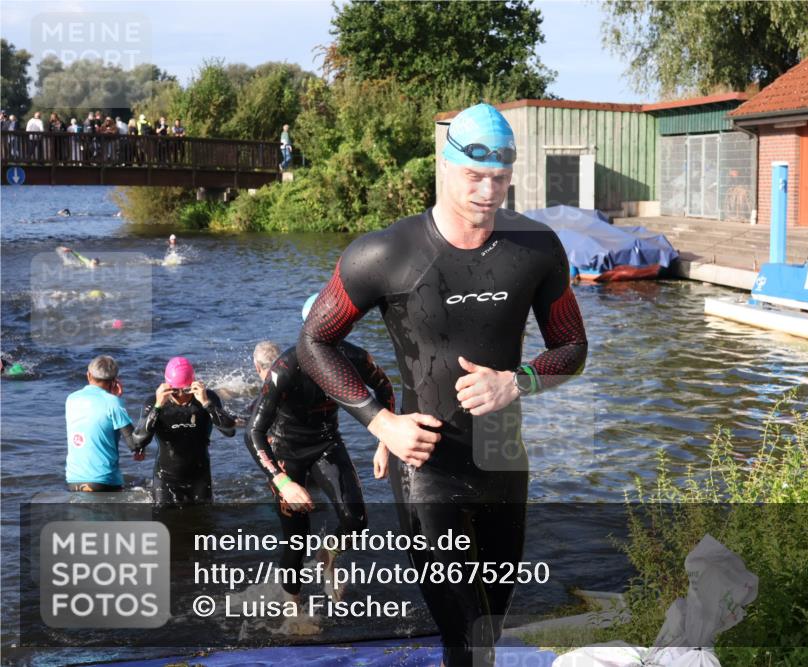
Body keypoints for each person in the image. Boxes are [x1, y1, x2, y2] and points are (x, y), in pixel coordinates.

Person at [297, 103, 588, 666]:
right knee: (467, 637)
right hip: (426, 462)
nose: (488, 190)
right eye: (475, 175)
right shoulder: (386, 253)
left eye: (500, 178)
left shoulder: (536, 247)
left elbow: (572, 347)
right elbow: (314, 342)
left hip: (503, 458)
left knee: (489, 634)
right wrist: (381, 422)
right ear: (444, 166)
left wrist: (519, 381)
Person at [245, 297, 394, 610]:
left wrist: (385, 441)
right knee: (295, 540)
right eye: (326, 333)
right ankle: (292, 606)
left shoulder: (352, 357)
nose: (335, 341)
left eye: (339, 331)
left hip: (327, 443)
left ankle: (328, 554)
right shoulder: (284, 369)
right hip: (287, 452)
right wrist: (282, 480)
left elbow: (384, 386)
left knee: (355, 520)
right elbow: (253, 432)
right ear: (308, 330)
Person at [133, 356, 236, 506]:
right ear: (167, 385)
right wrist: (157, 408)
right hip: (165, 478)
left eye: (186, 390)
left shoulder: (207, 398)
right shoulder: (154, 403)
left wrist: (207, 404)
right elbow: (138, 441)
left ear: (194, 384)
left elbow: (230, 431)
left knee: (203, 525)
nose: (181, 395)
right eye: (175, 391)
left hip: (200, 478)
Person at [65, 355, 145, 492]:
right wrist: (139, 451)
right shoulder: (113, 402)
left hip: (73, 480)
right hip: (104, 481)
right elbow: (134, 442)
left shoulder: (71, 399)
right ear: (114, 381)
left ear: (88, 375)